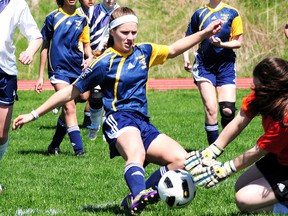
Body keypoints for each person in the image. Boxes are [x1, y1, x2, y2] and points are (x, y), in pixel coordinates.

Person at [13, 7, 222, 215]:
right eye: (125, 33)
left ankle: (138, 195)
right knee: (137, 153)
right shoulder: (104, 62)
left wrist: (205, 33)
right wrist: (34, 114)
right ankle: (139, 195)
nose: (130, 37)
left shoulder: (144, 52)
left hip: (143, 121)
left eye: (134, 32)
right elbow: (70, 91)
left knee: (181, 161)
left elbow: (174, 49)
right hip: (118, 118)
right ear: (112, 32)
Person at [185, 57, 288, 214]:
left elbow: (258, 151)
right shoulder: (265, 96)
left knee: (243, 200)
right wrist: (213, 150)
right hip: (281, 159)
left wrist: (226, 169)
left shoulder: (285, 120)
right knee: (241, 185)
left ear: (271, 88)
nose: (255, 89)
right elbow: (239, 121)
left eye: (258, 86)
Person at [34, 0, 93, 156]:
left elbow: (86, 45)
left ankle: (54, 145)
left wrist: (90, 58)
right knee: (69, 106)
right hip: (58, 70)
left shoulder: (82, 19)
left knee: (84, 96)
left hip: (76, 68)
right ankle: (79, 151)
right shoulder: (52, 17)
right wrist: (40, 76)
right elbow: (44, 46)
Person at [183, 0, 243, 145]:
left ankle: (221, 143)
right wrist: (186, 58)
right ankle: (212, 153)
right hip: (204, 66)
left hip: (226, 65)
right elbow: (188, 38)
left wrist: (221, 44)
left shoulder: (232, 13)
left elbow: (238, 42)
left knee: (228, 110)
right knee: (211, 108)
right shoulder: (199, 13)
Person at [0, 0, 42, 192]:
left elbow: (36, 37)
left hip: (5, 73)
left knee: (1, 134)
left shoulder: (17, 4)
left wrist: (30, 51)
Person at [78, 0, 120, 141]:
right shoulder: (91, 11)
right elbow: (83, 35)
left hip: (113, 58)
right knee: (93, 96)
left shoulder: (121, 12)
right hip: (92, 58)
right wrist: (90, 54)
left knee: (110, 94)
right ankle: (94, 125)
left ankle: (107, 129)